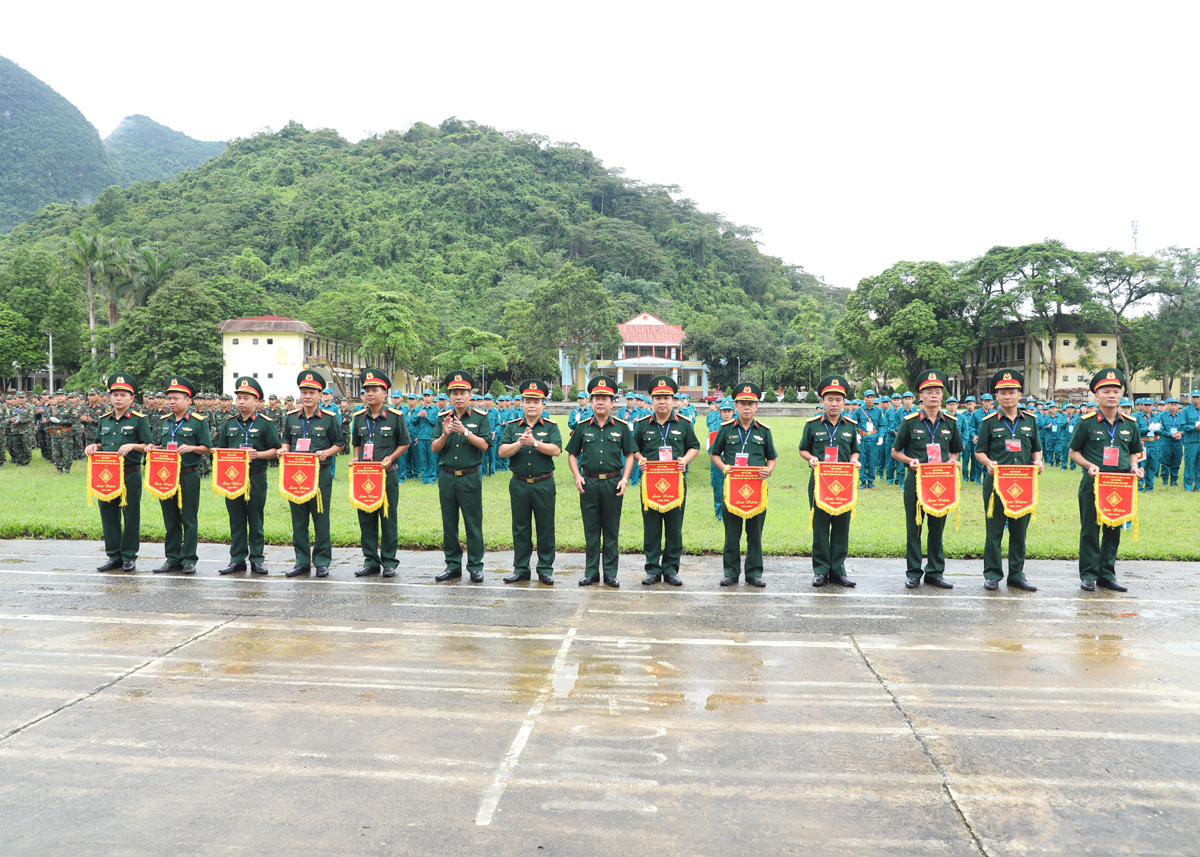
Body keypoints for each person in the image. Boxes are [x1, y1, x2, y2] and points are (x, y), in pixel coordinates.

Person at [1068, 369, 1143, 592]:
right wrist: (1089, 465)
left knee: (1114, 528)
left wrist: (1133, 467)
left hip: (1120, 484)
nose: (1112, 395)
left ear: (1121, 395)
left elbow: (1134, 451)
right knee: (1090, 529)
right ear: (1096, 395)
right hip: (1094, 483)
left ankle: (1107, 575)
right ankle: (1089, 574)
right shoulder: (1086, 422)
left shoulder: (1129, 423)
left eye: (1116, 391)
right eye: (1106, 391)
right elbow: (1073, 451)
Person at [891, 369, 963, 590]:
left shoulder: (950, 422)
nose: (934, 395)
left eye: (938, 391)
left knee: (937, 528)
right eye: (929, 391)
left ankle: (935, 572)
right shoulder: (910, 421)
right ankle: (913, 572)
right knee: (914, 528)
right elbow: (895, 451)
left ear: (942, 395)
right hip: (916, 480)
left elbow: (955, 451)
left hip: (941, 483)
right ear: (919, 396)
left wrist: (952, 461)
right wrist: (910, 460)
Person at [975, 370, 1043, 592]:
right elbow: (980, 451)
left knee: (1018, 531)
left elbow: (1036, 449)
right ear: (996, 396)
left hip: (1023, 485)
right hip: (996, 484)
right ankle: (993, 574)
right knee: (994, 531)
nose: (1007, 397)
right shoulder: (988, 422)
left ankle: (1017, 574)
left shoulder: (1030, 421)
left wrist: (1038, 462)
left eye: (1012, 392)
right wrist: (988, 463)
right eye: (1002, 393)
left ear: (1019, 394)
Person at [567, 376, 636, 587]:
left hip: (613, 483)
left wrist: (625, 479)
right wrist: (577, 476)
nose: (600, 402)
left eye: (605, 398)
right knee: (591, 529)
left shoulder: (622, 427)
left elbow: (631, 454)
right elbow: (571, 454)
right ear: (590, 401)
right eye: (596, 397)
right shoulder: (582, 427)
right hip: (589, 482)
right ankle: (591, 572)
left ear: (612, 402)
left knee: (611, 529)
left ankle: (610, 573)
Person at [708, 382, 778, 587]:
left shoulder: (763, 431)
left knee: (755, 533)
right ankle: (730, 572)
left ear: (756, 407)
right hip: (732, 490)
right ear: (735, 406)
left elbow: (771, 457)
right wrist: (723, 468)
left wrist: (769, 469)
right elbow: (714, 453)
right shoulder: (726, 429)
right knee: (732, 533)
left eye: (751, 403)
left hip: (757, 490)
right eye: (743, 403)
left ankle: (754, 573)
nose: (747, 407)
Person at [632, 376, 700, 586]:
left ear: (673, 400)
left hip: (676, 483)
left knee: (673, 527)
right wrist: (641, 459)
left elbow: (694, 447)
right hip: (650, 484)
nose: (662, 402)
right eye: (658, 398)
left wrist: (685, 460)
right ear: (652, 400)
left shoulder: (684, 424)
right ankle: (652, 569)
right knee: (651, 528)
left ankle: (671, 569)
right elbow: (633, 449)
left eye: (667, 398)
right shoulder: (642, 425)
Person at [280, 370, 344, 578]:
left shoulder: (329, 418)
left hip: (320, 475)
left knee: (320, 518)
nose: (307, 396)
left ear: (319, 395)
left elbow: (340, 443)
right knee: (298, 520)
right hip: (295, 474)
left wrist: (327, 452)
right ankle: (301, 562)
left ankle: (322, 562)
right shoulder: (291, 418)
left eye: (312, 392)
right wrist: (283, 449)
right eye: (304, 392)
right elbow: (286, 440)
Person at [798, 375, 860, 587]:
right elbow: (803, 449)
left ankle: (838, 571)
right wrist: (811, 458)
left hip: (844, 484)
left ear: (844, 402)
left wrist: (855, 462)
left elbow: (854, 452)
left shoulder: (850, 426)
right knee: (821, 527)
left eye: (838, 400)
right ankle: (821, 570)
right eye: (830, 399)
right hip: (819, 482)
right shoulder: (812, 425)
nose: (834, 404)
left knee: (842, 527)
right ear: (822, 401)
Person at [87, 373, 153, 572]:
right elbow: (100, 442)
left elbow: (148, 446)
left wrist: (133, 445)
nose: (118, 398)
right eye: (115, 394)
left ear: (132, 399)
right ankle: (114, 555)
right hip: (106, 473)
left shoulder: (139, 420)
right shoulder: (103, 420)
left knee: (131, 515)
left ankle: (129, 556)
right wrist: (93, 447)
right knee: (108, 514)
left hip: (129, 473)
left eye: (123, 395)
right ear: (109, 397)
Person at [215, 377, 281, 575]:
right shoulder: (229, 423)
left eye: (246, 398)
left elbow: (275, 450)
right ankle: (237, 559)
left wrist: (258, 454)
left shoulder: (265, 423)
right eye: (239, 398)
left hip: (255, 476)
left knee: (255, 518)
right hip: (232, 477)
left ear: (257, 401)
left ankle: (257, 559)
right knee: (236, 519)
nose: (241, 402)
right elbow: (222, 448)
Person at [498, 379, 561, 585]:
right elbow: (501, 451)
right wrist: (519, 442)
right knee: (520, 527)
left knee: (545, 527)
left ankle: (545, 568)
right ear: (521, 404)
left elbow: (556, 450)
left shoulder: (551, 427)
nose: (531, 405)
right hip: (519, 484)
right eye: (527, 401)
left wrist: (534, 443)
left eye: (536, 401)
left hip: (544, 483)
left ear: (543, 405)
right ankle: (521, 568)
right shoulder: (512, 427)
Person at [350, 368, 411, 578]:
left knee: (388, 518)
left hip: (387, 475)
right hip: (364, 476)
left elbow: (405, 443)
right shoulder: (358, 417)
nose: (369, 393)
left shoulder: (395, 417)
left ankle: (389, 561)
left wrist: (391, 457)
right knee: (366, 518)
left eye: (374, 390)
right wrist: (356, 458)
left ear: (384, 393)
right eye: (366, 390)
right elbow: (356, 443)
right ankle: (370, 561)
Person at [148, 376, 212, 574]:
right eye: (169, 398)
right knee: (170, 517)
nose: (172, 402)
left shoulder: (198, 422)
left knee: (189, 518)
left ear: (188, 400)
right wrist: (153, 447)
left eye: (176, 398)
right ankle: (172, 558)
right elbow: (162, 444)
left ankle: (189, 559)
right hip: (165, 475)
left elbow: (207, 448)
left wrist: (192, 447)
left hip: (188, 474)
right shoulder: (164, 421)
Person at [430, 371, 490, 582]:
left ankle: (475, 566)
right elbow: (435, 448)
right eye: (454, 393)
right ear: (449, 396)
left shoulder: (481, 418)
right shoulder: (442, 419)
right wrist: (445, 434)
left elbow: (484, 445)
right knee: (449, 523)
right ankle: (453, 565)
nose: (458, 397)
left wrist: (465, 432)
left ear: (470, 394)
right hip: (447, 477)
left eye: (462, 392)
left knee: (473, 523)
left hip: (470, 477)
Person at [707, 398, 734, 519]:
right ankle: (719, 513)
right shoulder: (714, 427)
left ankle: (732, 511)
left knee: (734, 487)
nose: (727, 413)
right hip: (717, 461)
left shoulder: (737, 426)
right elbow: (709, 447)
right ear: (720, 412)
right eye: (724, 411)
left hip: (733, 461)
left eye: (729, 411)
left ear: (733, 412)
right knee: (718, 487)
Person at [44, 389, 78, 474]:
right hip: (55, 433)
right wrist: (51, 420)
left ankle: (67, 468)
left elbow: (74, 419)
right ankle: (59, 468)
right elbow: (47, 418)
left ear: (65, 397)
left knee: (67, 452)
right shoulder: (52, 408)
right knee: (56, 452)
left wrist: (60, 421)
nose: (60, 397)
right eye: (58, 396)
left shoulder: (70, 407)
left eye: (62, 396)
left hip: (66, 433)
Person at [853, 390, 881, 489]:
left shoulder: (878, 411)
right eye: (867, 397)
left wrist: (880, 436)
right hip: (862, 440)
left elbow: (882, 425)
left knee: (872, 461)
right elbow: (853, 424)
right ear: (864, 398)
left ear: (874, 398)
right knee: (862, 460)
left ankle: (871, 481)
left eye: (871, 397)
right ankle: (863, 481)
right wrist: (856, 434)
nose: (870, 399)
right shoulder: (859, 410)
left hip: (873, 440)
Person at [1158, 398, 1184, 486]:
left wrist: (1181, 433)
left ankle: (1174, 481)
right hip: (1166, 442)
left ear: (1178, 406)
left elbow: (1184, 428)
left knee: (1177, 461)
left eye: (1175, 404)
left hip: (1178, 442)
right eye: (1171, 404)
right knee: (1165, 461)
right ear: (1168, 405)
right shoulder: (1162, 415)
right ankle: (1165, 481)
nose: (1173, 406)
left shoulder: (1181, 416)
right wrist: (1170, 434)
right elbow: (1160, 430)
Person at [1182, 391, 1200, 492]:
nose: (1196, 399)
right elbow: (1182, 426)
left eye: (1198, 397)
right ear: (1191, 398)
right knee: (1189, 464)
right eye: (1194, 397)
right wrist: (1194, 427)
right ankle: (1188, 487)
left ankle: (1198, 487)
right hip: (1191, 442)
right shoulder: (1186, 411)